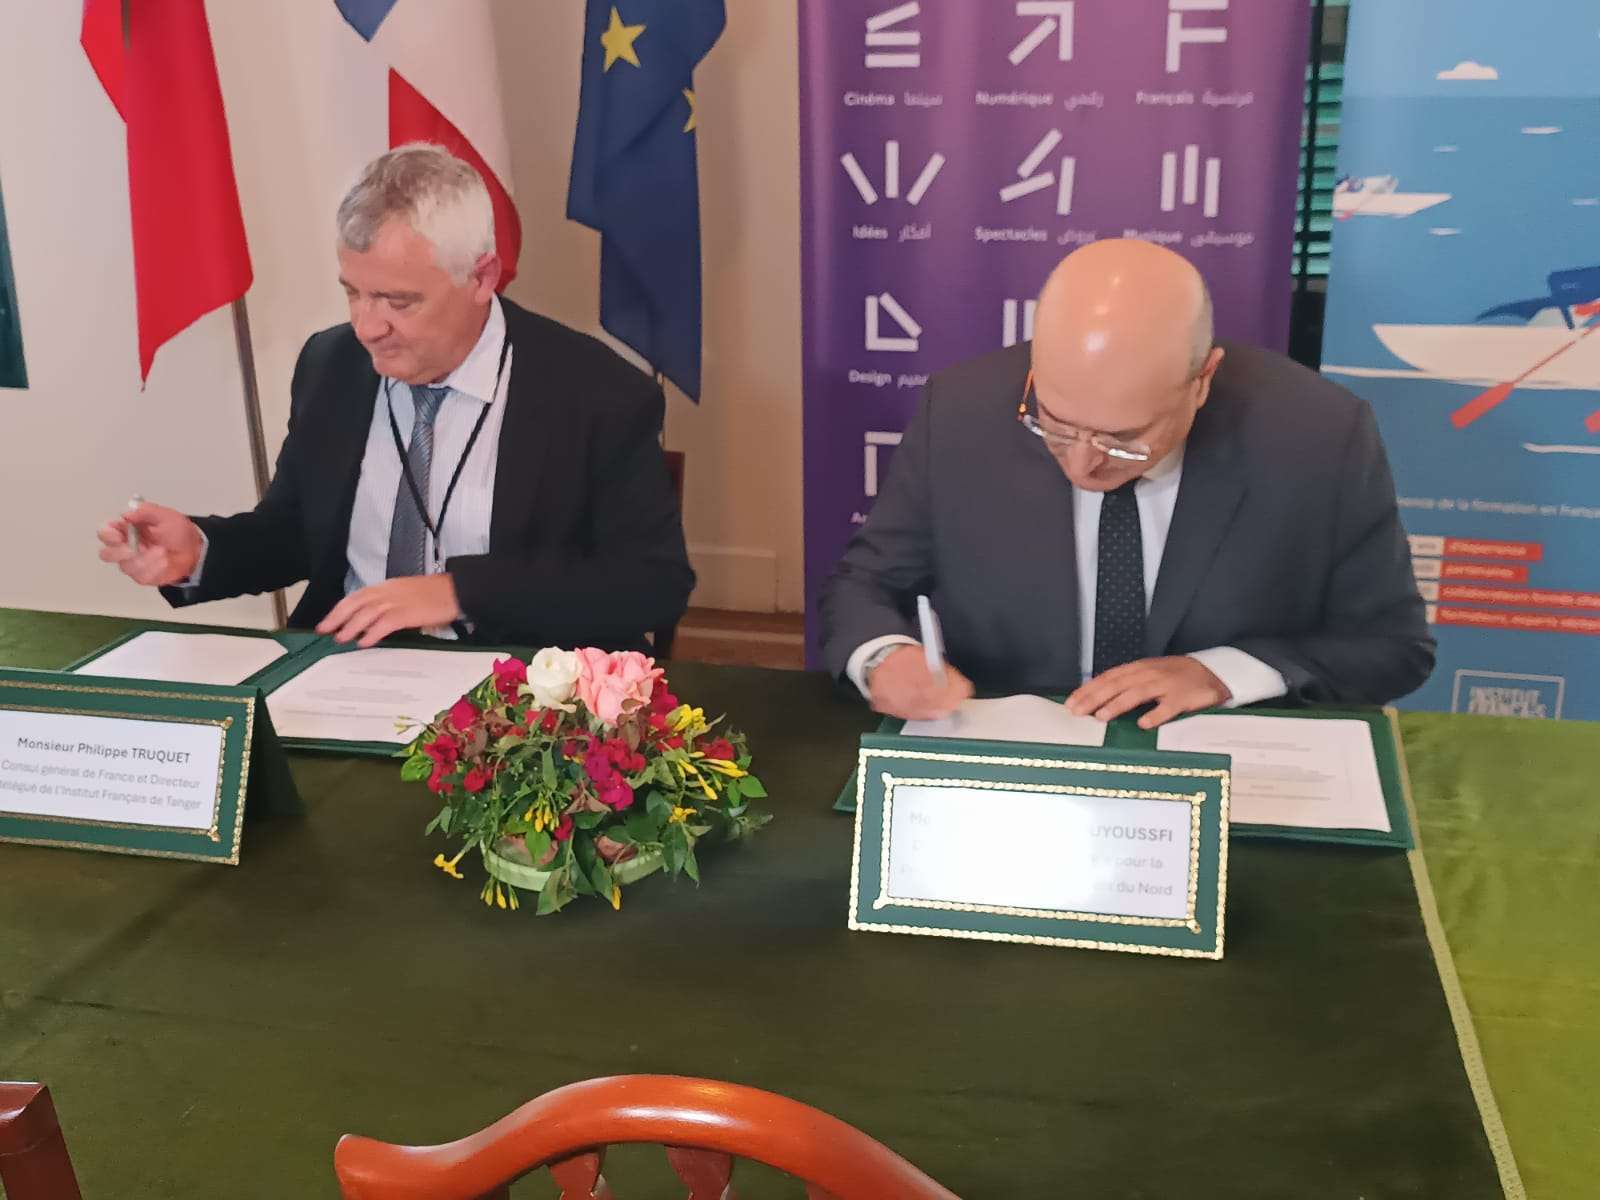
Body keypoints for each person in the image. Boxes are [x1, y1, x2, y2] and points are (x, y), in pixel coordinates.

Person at [97, 143, 693, 652]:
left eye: (398, 301)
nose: (366, 326)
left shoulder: (598, 394)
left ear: (483, 277)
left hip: (517, 694)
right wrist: (200, 550)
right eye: (353, 292)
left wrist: (458, 592)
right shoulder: (331, 365)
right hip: (345, 673)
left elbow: (651, 584)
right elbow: (296, 534)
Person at [820, 238, 1434, 728]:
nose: (1085, 466)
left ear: (1203, 380)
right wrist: (883, 657)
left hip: (1221, 760)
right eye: (1054, 425)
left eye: (1124, 438)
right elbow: (867, 585)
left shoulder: (1317, 435)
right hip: (1014, 756)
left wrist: (1224, 673)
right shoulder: (961, 411)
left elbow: (1392, 646)